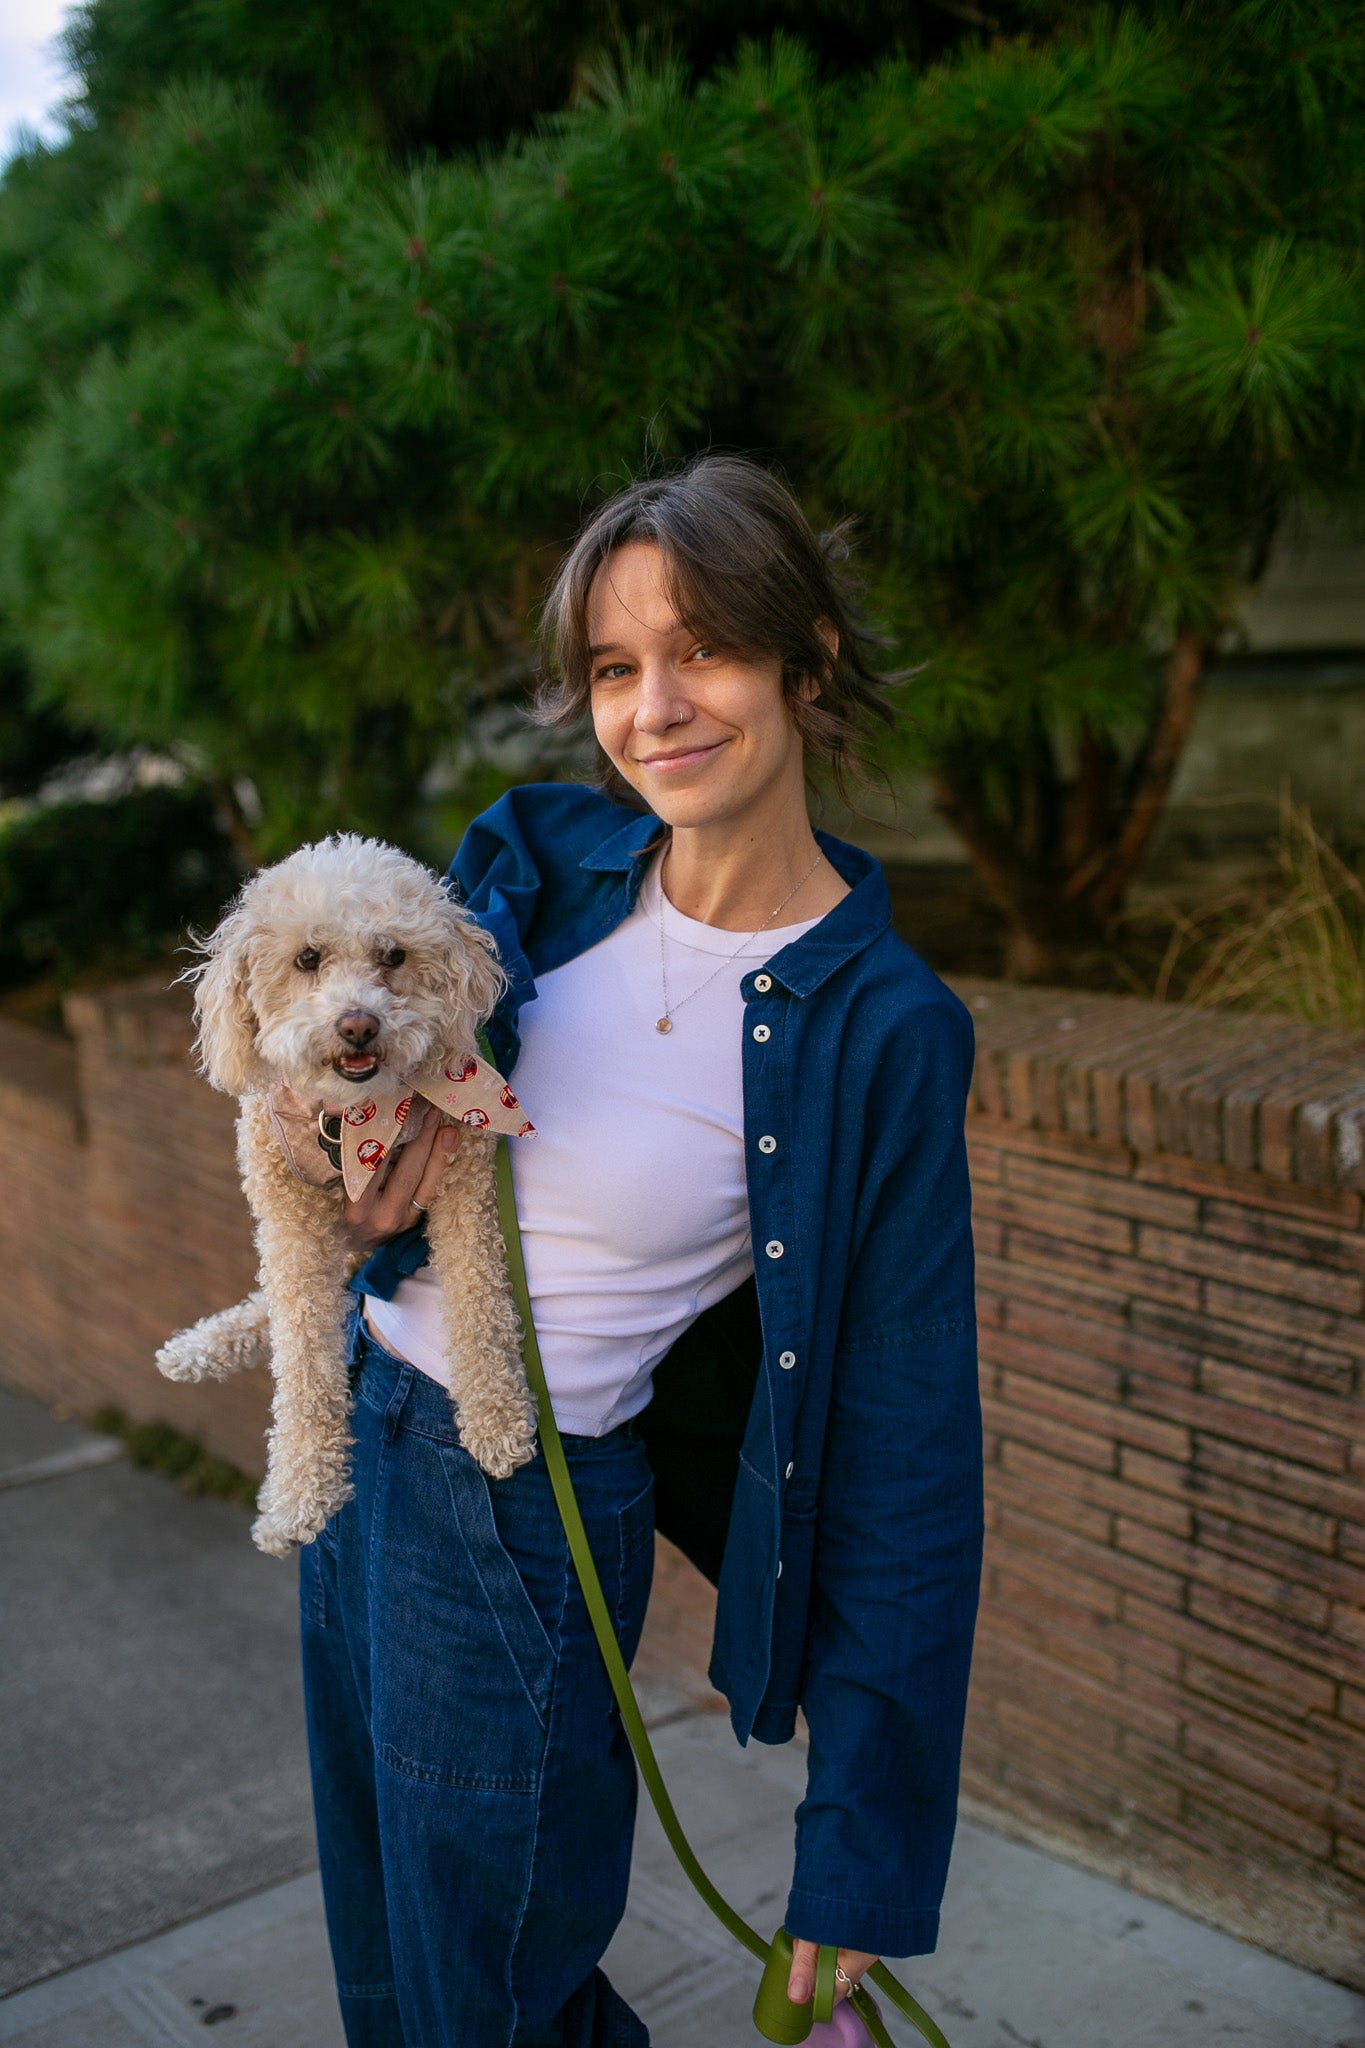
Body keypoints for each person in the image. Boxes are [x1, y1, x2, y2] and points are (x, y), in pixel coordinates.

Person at [300, 455, 983, 2047]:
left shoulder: (879, 1029)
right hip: (359, 1450)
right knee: (392, 1963)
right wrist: (361, 1166)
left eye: (704, 651)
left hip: (512, 1513)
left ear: (807, 662)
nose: (654, 707)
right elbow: (351, 1061)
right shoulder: (540, 862)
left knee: (497, 2003)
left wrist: (861, 1852)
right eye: (614, 668)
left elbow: (904, 1445)